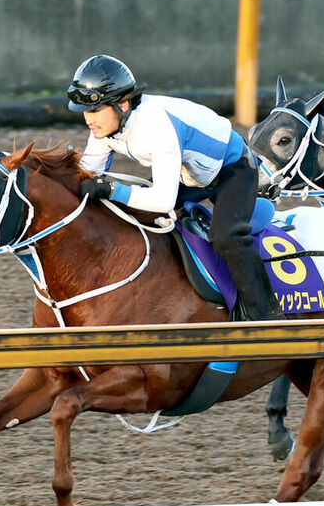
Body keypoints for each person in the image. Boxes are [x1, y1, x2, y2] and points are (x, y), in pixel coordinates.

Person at [67, 54, 283, 320]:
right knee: (141, 218)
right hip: (190, 175)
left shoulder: (157, 125)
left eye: (94, 110)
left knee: (226, 237)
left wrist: (112, 190)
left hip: (233, 169)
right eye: (86, 112)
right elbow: (87, 175)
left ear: (122, 105)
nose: (88, 120)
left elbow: (162, 201)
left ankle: (266, 313)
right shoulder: (105, 128)